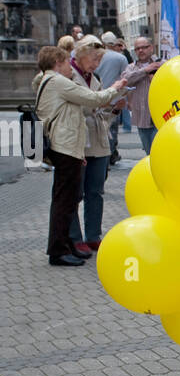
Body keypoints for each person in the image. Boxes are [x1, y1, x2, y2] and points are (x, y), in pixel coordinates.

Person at [35, 46, 127, 267]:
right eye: (67, 62)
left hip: (68, 148)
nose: (70, 67)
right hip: (64, 148)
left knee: (66, 200)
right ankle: (58, 251)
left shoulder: (52, 81)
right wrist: (116, 87)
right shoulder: (57, 81)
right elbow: (93, 99)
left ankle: (66, 246)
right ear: (58, 61)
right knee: (64, 201)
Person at [68, 36, 115, 254]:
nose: (96, 64)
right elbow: (77, 107)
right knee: (75, 193)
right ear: (82, 54)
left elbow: (101, 113)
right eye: (94, 59)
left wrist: (113, 109)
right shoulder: (68, 76)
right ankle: (75, 238)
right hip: (78, 142)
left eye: (99, 60)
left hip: (99, 142)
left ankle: (93, 236)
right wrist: (101, 100)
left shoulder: (94, 78)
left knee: (95, 192)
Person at [121, 37, 162, 154]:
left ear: (151, 48)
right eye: (137, 48)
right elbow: (125, 80)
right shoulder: (131, 67)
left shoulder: (161, 64)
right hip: (141, 118)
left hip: (159, 117)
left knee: (158, 152)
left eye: (144, 47)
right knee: (149, 153)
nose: (140, 50)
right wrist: (145, 71)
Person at [98, 33, 129, 166]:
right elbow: (125, 79)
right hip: (113, 99)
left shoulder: (95, 56)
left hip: (96, 97)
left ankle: (103, 156)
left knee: (98, 128)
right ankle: (110, 155)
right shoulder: (120, 58)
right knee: (111, 129)